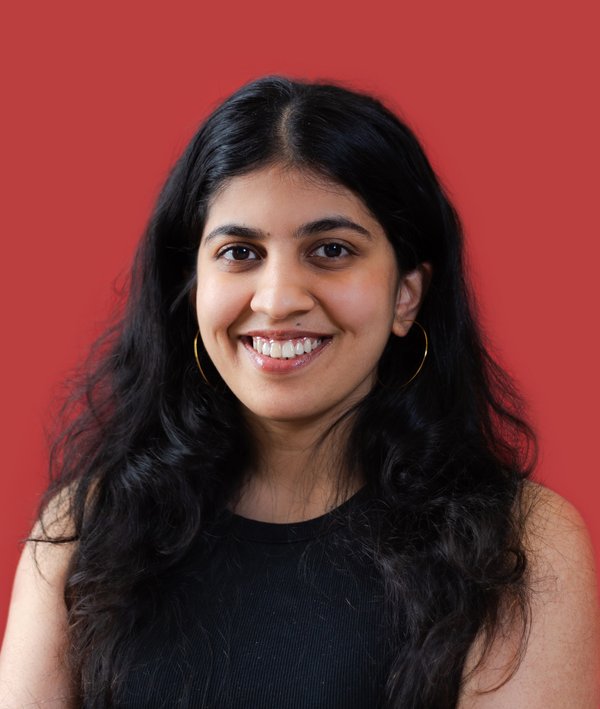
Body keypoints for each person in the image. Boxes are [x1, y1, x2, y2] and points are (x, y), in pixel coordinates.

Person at [0, 76, 598, 708]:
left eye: (331, 250)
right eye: (238, 252)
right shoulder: (85, 528)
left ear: (407, 294)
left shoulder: (519, 543)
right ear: (193, 290)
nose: (279, 299)